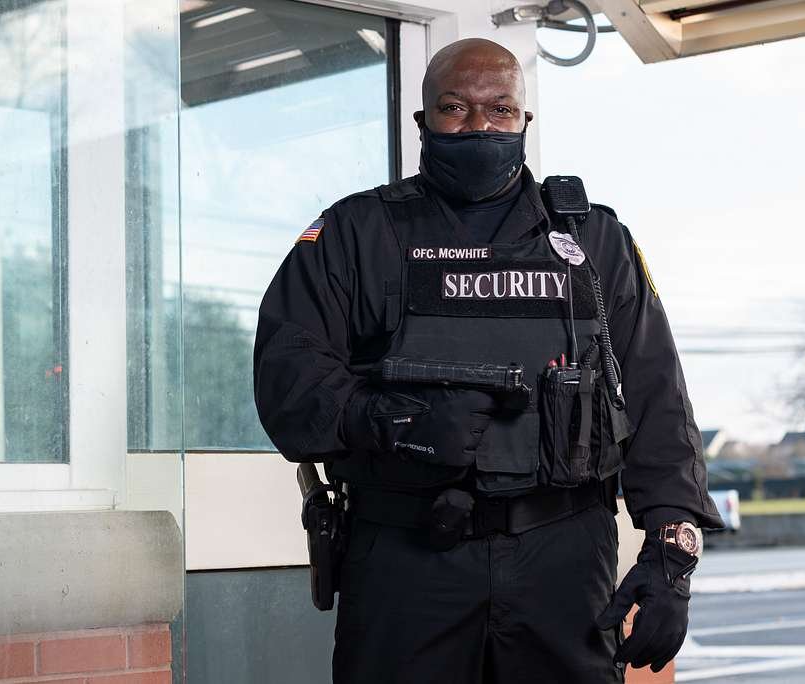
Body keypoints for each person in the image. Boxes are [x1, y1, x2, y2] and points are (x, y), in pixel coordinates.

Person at [254, 37, 724, 684]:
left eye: (499, 109)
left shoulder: (594, 243)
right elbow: (287, 373)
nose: (479, 125)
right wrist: (385, 420)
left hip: (563, 559)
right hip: (406, 556)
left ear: (524, 121)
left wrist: (673, 554)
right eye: (455, 108)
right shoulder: (356, 234)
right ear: (423, 122)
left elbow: (655, 396)